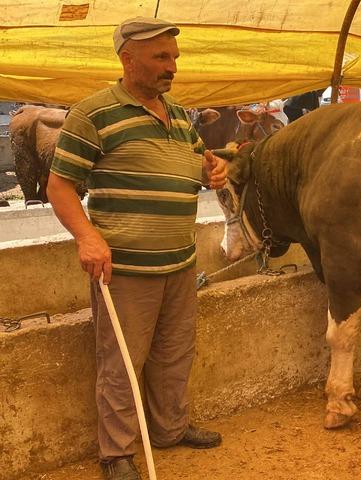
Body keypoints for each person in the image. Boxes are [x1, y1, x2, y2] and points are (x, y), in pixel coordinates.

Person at [46, 17, 227, 480]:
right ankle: (118, 453)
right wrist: (88, 237)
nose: (172, 68)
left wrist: (213, 173)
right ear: (128, 59)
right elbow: (61, 186)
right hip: (124, 268)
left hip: (180, 261)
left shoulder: (184, 118)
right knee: (123, 361)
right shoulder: (94, 113)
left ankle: (169, 428)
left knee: (174, 351)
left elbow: (197, 167)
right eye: (161, 58)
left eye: (174, 59)